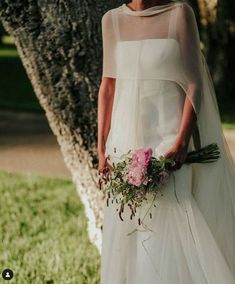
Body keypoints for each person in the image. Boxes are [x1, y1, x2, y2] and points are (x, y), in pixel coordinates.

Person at [97, 0, 235, 283]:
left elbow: (195, 82)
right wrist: (101, 148)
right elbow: (108, 86)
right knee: (131, 232)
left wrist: (182, 142)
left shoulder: (179, 14)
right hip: (124, 144)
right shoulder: (111, 21)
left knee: (175, 221)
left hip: (169, 141)